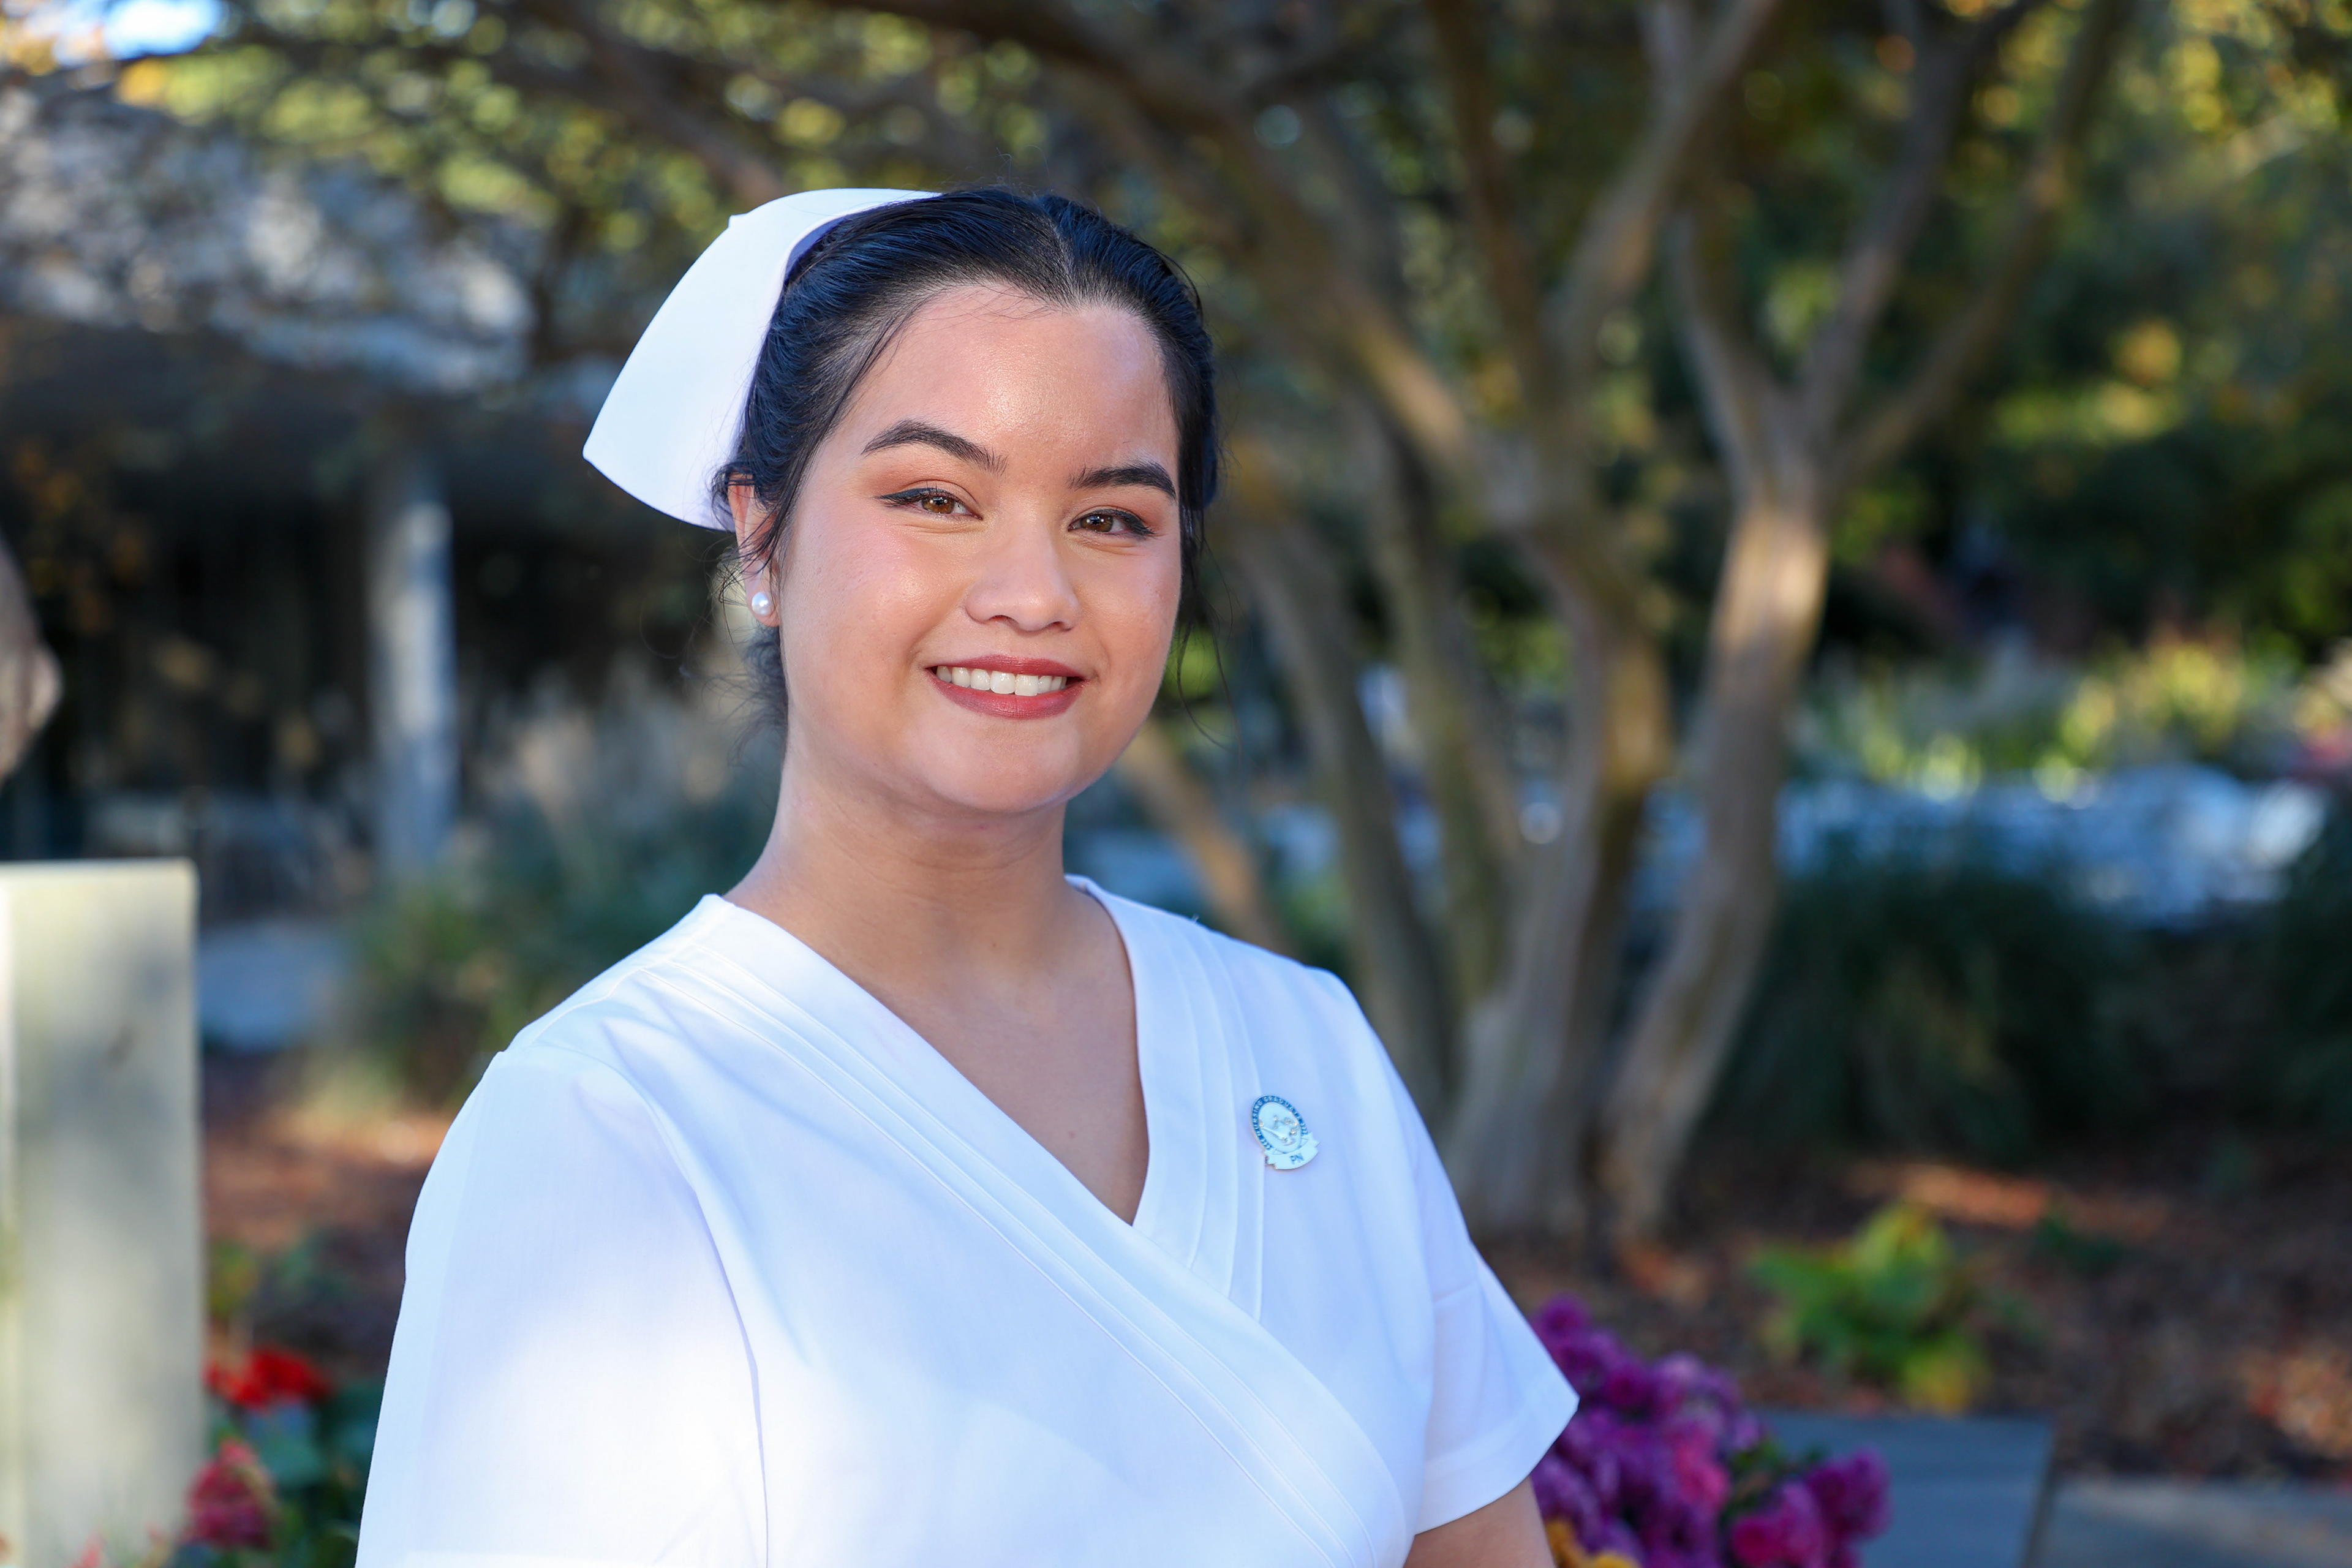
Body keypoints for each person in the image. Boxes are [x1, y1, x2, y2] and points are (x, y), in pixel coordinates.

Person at [355, 186, 1574, 1568]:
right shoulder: (612, 1123)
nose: (1033, 591)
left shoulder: (1303, 1044)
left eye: (1112, 518)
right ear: (760, 534)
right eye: (936, 498)